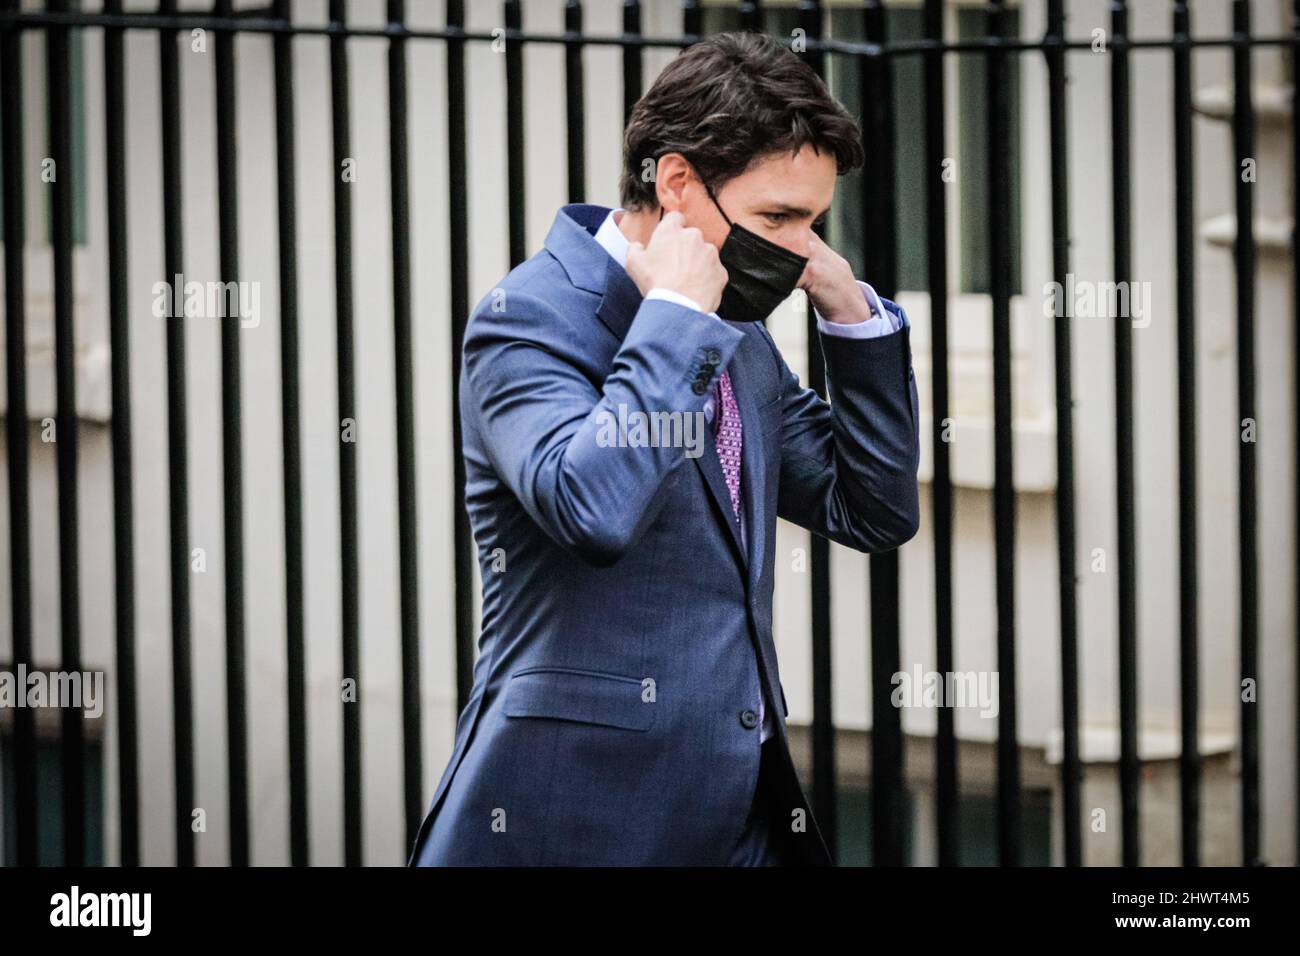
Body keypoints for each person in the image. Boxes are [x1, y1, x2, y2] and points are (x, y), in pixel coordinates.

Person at [409, 30, 919, 867]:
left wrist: (847, 309)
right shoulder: (530, 317)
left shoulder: (735, 329)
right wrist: (676, 321)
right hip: (573, 820)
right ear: (678, 182)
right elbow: (592, 510)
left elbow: (872, 509)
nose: (796, 250)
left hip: (738, 815)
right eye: (777, 218)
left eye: (813, 223)